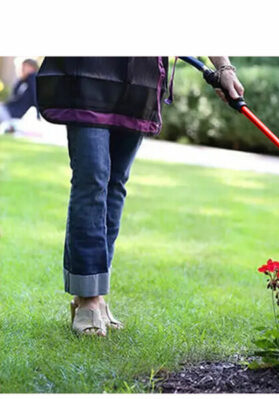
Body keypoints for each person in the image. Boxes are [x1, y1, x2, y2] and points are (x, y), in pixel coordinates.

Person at [36, 57, 244, 336]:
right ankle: (89, 298)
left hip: (138, 81)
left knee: (114, 184)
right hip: (88, 71)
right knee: (92, 178)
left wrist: (224, 68)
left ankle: (93, 294)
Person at [0, 58, 39, 130]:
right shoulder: (23, 82)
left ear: (32, 68)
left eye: (24, 67)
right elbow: (14, 95)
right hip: (7, 110)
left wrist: (32, 75)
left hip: (12, 114)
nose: (22, 69)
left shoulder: (33, 80)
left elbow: (35, 97)